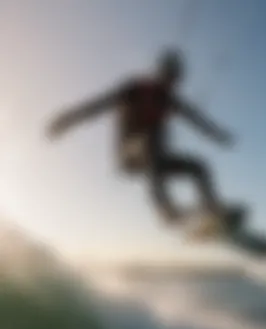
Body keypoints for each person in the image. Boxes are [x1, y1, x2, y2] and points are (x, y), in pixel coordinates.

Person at [46, 48, 243, 237]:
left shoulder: (170, 100)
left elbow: (197, 120)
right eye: (169, 77)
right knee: (150, 142)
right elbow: (96, 106)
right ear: (161, 73)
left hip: (156, 161)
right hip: (129, 157)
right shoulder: (134, 90)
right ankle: (166, 210)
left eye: (175, 80)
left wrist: (219, 136)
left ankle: (213, 213)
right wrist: (64, 121)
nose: (171, 85)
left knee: (198, 167)